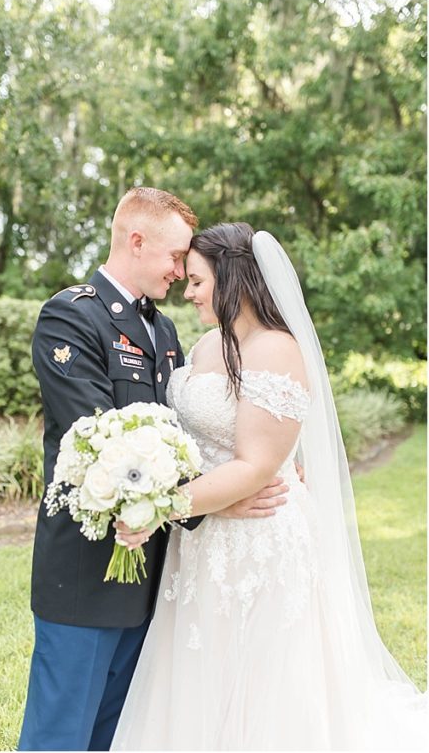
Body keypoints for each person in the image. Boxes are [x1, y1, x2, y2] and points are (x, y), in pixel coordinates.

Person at [111, 223, 426, 749]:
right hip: (206, 531)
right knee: (199, 665)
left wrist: (157, 507)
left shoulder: (277, 349)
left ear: (232, 277)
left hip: (259, 535)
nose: (187, 293)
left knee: (261, 678)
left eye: (197, 281)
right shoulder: (207, 344)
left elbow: (256, 465)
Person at [19, 190, 289, 751]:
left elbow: (197, 434)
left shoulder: (165, 333)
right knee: (60, 733)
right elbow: (97, 444)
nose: (179, 271)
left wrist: (252, 471)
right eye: (173, 257)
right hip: (88, 565)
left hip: (158, 572)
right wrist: (211, 500)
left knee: (120, 734)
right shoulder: (71, 315)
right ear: (135, 241)